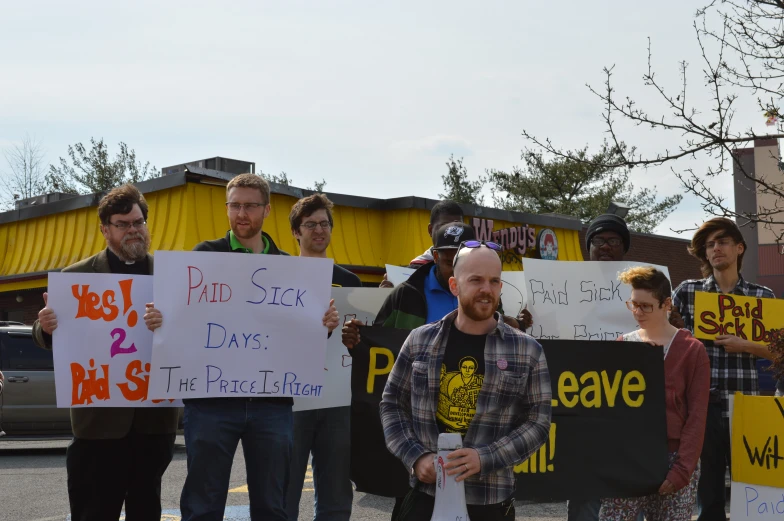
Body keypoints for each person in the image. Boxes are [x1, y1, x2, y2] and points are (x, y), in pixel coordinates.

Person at [144, 174, 340, 521]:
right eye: (234, 205)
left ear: (266, 209)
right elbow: (180, 320)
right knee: (203, 503)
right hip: (210, 403)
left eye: (250, 205)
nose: (242, 213)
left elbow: (299, 339)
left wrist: (321, 328)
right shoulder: (203, 257)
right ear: (227, 208)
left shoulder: (290, 269)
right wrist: (161, 320)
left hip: (272, 405)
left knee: (272, 505)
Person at [32, 184, 178, 521]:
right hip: (97, 424)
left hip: (154, 422)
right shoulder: (76, 278)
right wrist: (46, 326)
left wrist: (169, 324)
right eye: (123, 224)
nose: (133, 230)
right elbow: (45, 336)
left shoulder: (172, 277)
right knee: (95, 511)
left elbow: (192, 335)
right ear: (104, 229)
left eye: (138, 222)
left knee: (146, 509)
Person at [379, 241, 552, 521]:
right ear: (454, 285)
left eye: (494, 281)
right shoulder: (419, 341)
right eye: (475, 280)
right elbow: (391, 405)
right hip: (426, 496)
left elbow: (538, 423)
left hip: (490, 501)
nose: (486, 289)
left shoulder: (528, 350)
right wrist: (416, 456)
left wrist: (485, 457)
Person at [672, 217, 776, 521]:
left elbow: (779, 353)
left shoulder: (762, 297)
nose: (716, 248)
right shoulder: (687, 293)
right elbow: (665, 343)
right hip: (704, 406)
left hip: (748, 405)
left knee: (752, 493)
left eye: (722, 241)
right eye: (710, 244)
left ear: (739, 248)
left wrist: (744, 345)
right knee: (710, 495)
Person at [598, 266, 710, 521]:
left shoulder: (692, 351)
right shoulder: (623, 345)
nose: (637, 312)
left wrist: (682, 470)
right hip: (628, 457)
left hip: (673, 458)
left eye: (646, 306)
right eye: (633, 304)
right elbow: (609, 409)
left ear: (666, 304)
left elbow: (697, 416)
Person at [285, 194, 361, 521]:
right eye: (310, 224)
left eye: (324, 223)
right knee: (283, 491)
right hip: (290, 400)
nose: (319, 230)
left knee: (335, 494)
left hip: (337, 400)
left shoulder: (351, 283)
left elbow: (361, 345)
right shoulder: (280, 277)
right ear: (295, 232)